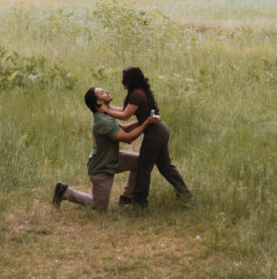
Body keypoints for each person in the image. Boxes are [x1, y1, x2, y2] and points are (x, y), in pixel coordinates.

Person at [52, 85, 159, 210]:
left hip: (113, 159)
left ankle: (127, 197)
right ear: (98, 101)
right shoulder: (103, 122)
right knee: (99, 206)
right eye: (102, 92)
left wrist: (143, 120)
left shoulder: (106, 115)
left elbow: (124, 128)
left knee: (139, 162)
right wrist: (146, 124)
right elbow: (128, 138)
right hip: (101, 169)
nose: (106, 91)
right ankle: (64, 191)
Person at [104, 66, 190, 206]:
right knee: (165, 165)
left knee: (144, 167)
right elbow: (124, 110)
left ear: (130, 81)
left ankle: (139, 201)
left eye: (124, 79)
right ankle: (184, 193)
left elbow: (125, 116)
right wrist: (107, 108)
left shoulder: (136, 94)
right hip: (160, 129)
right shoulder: (138, 92)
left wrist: (106, 112)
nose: (122, 81)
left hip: (155, 132)